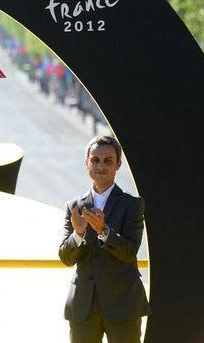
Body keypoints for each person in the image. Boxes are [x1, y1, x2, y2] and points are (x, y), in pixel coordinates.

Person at [58, 136, 150, 343]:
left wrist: (103, 231)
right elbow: (65, 257)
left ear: (118, 164)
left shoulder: (133, 205)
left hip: (123, 306)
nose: (101, 166)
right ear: (87, 162)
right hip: (83, 307)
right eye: (95, 160)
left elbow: (129, 252)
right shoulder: (74, 206)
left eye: (108, 161)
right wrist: (78, 234)